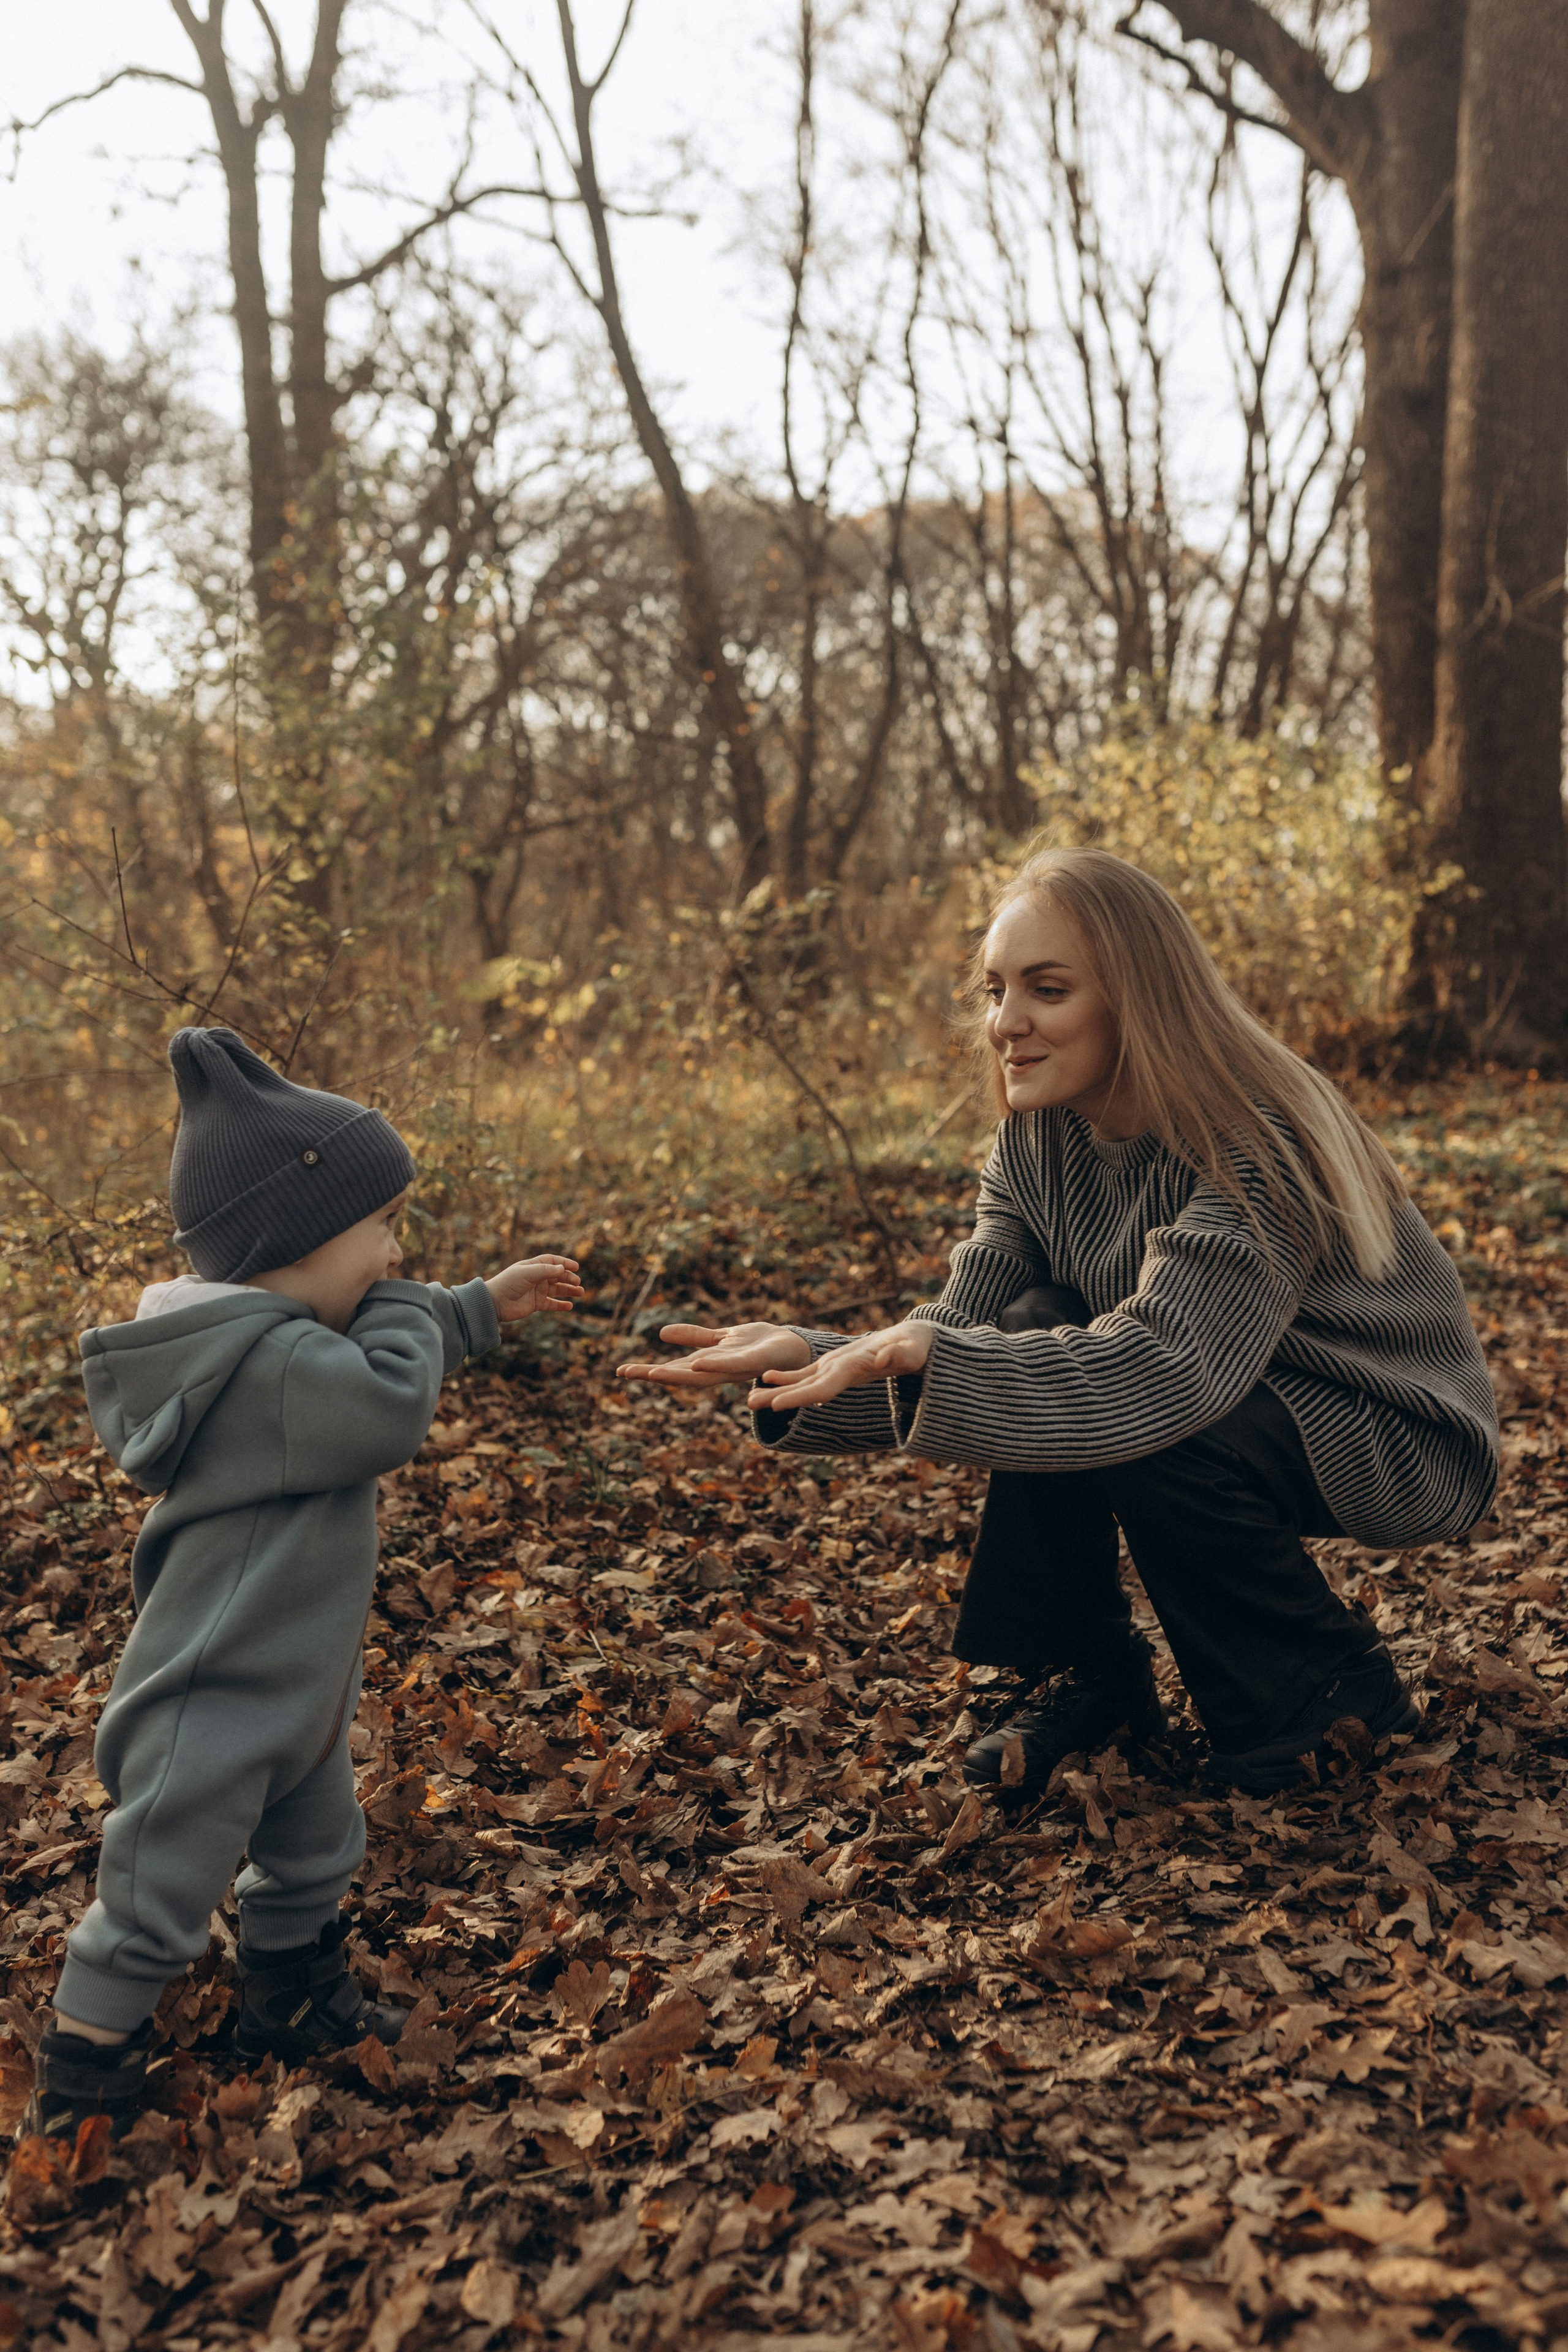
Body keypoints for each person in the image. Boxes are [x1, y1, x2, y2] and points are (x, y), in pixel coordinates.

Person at [619, 847, 1498, 1804]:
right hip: (1225, 1391)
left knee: (1137, 1401)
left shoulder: (1259, 1139)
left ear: (1138, 998)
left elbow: (1164, 1371)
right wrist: (811, 1357)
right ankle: (1090, 1675)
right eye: (995, 990)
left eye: (1048, 989)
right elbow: (961, 1329)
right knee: (1031, 1322)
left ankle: (1327, 1697)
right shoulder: (1037, 1139)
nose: (1006, 1021)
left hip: (1396, 1429)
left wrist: (937, 1357)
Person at [21, 1027, 582, 2145]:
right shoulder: (268, 1367)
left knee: (315, 1848)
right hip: (215, 1694)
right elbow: (382, 1401)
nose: (393, 1252)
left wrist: (475, 1306)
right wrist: (422, 1302)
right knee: (155, 1894)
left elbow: (366, 1357)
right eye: (381, 1226)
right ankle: (82, 2080)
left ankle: (288, 1994)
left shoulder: (275, 1346)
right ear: (295, 1237)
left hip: (292, 1680)